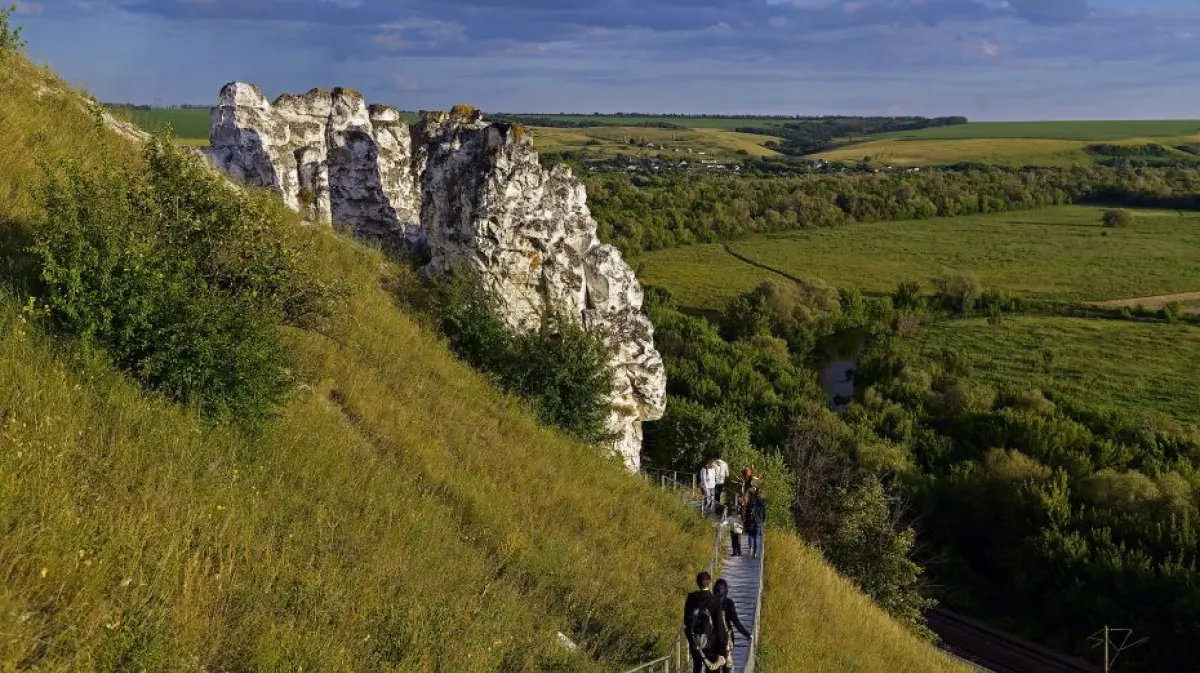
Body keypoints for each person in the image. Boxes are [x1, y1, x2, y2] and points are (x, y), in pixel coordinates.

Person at [683, 571, 729, 673]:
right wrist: (722, 647)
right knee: (713, 668)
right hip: (711, 643)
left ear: (697, 582)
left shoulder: (691, 598)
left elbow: (686, 621)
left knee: (697, 666)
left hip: (695, 641)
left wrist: (691, 639)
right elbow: (719, 625)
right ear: (709, 582)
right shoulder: (715, 600)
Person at [713, 579, 753, 672]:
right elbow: (736, 622)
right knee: (727, 663)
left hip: (713, 639)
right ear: (726, 591)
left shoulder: (710, 602)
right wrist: (747, 634)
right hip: (727, 638)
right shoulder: (729, 603)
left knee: (715, 663)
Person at [746, 488, 767, 559]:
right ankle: (754, 553)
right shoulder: (763, 502)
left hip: (751, 521)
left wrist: (746, 519)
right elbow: (764, 513)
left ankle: (751, 548)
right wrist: (763, 521)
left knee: (750, 535)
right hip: (759, 522)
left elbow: (747, 510)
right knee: (756, 538)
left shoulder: (752, 500)